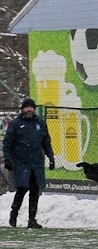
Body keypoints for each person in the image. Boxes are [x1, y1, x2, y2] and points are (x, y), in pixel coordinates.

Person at [3, 97, 54, 228]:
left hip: (36, 163)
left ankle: (32, 219)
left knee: (35, 191)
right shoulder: (15, 124)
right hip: (21, 163)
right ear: (22, 109)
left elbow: (46, 142)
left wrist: (51, 157)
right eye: (27, 107)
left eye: (31, 107)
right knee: (22, 189)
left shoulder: (40, 123)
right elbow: (7, 143)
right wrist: (7, 159)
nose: (29, 109)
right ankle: (13, 214)